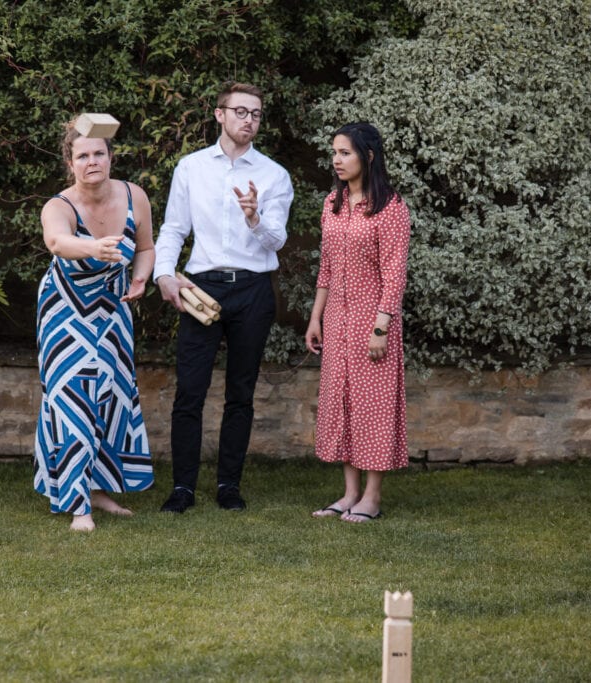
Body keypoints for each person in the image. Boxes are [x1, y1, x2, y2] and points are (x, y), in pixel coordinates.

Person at [154, 82, 294, 513]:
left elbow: (276, 241)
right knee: (190, 392)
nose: (248, 120)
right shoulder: (191, 168)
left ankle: (228, 485)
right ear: (219, 115)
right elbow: (174, 228)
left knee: (241, 392)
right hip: (201, 286)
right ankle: (182, 489)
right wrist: (163, 274)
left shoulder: (273, 175)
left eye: (255, 113)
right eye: (240, 111)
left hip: (253, 290)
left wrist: (253, 216)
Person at [33, 119, 155, 532]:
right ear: (70, 163)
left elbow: (146, 247)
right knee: (72, 398)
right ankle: (77, 504)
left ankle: (99, 491)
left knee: (110, 396)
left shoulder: (134, 195)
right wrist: (93, 247)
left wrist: (140, 277)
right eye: (82, 155)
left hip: (113, 308)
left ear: (110, 157)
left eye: (98, 153)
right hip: (64, 312)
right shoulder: (59, 206)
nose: (92, 161)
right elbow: (56, 242)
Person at [305, 122, 410, 523]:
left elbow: (394, 273)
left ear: (368, 157)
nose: (336, 159)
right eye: (334, 152)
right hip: (336, 322)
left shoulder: (391, 208)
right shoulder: (333, 203)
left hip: (373, 322)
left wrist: (381, 327)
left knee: (373, 407)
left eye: (345, 152)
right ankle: (348, 494)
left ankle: (372, 497)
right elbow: (326, 269)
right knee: (342, 405)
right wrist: (316, 318)